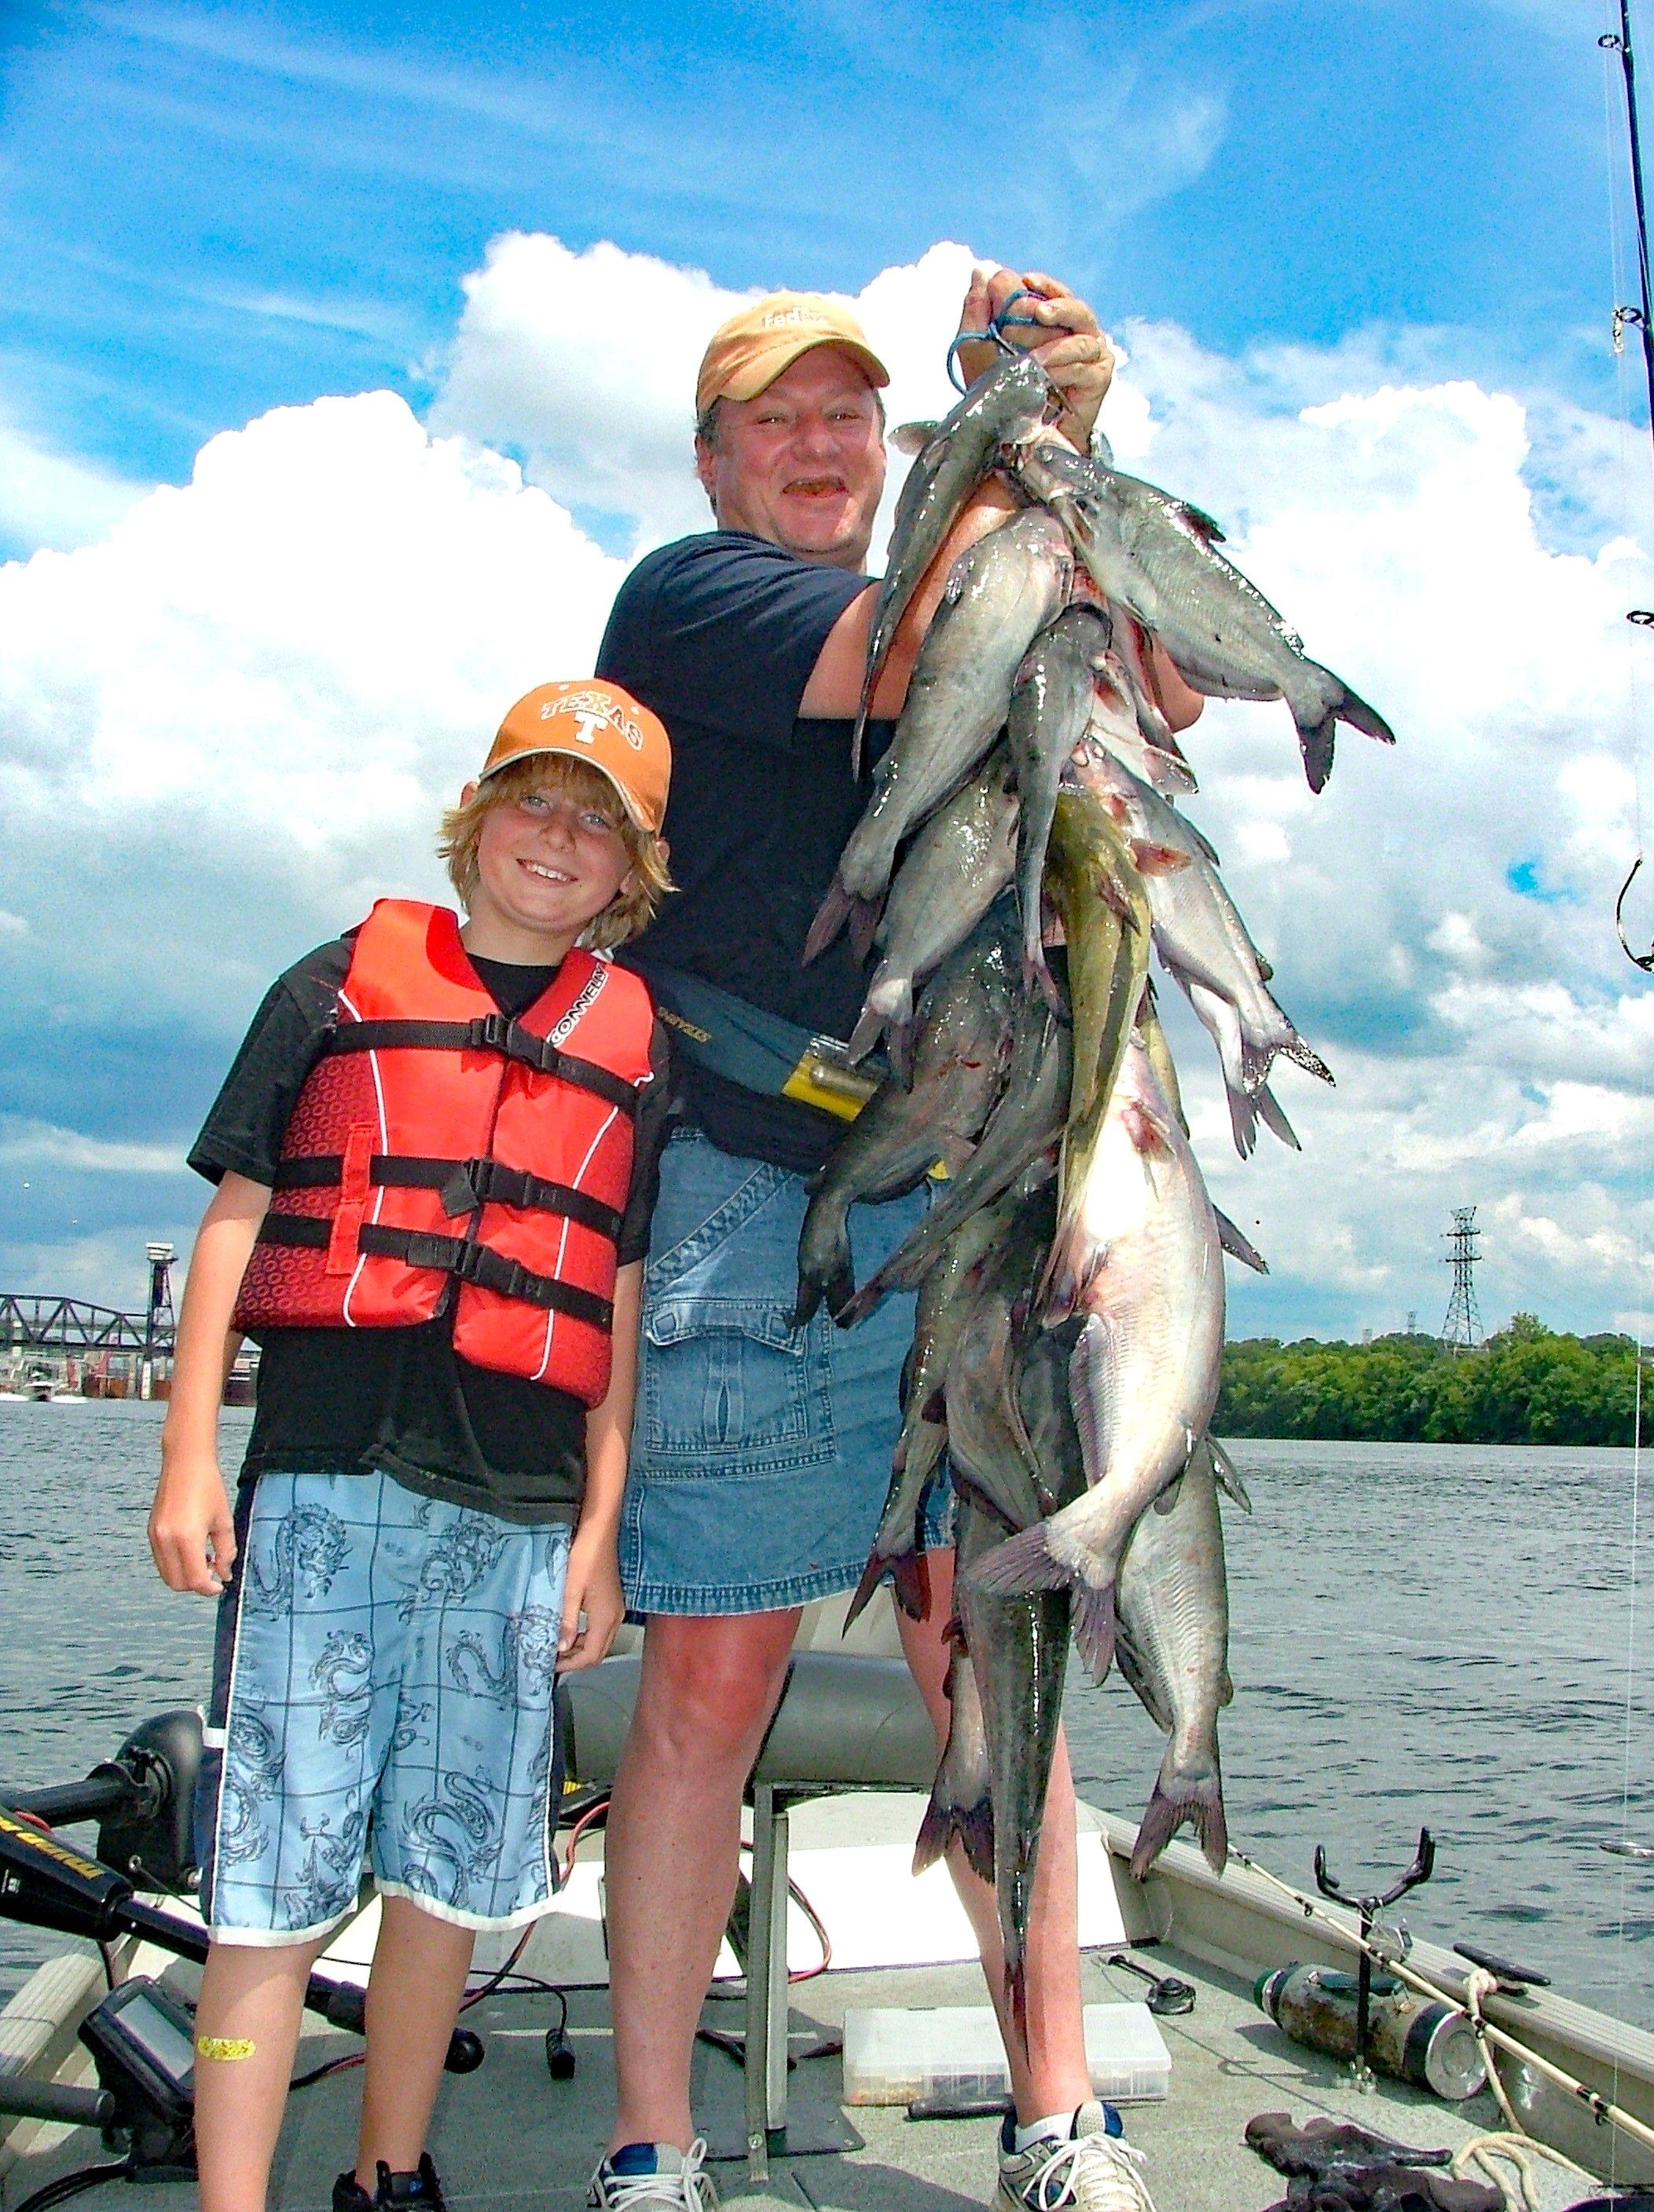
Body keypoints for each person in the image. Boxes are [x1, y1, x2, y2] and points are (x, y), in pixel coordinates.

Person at [590, 269, 1203, 2212]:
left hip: (997, 1199)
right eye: (779, 418)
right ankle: (652, 2149)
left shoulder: (962, 551)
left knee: (991, 1657)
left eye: (852, 416)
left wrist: (1069, 437)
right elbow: (954, 634)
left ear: (886, 443)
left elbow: (1155, 677)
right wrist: (1038, 450)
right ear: (714, 458)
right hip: (762, 1205)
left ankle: (1059, 2116)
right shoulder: (692, 604)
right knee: (712, 1678)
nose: (821, 444)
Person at [145, 679, 675, 2212]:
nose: (556, 839)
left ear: (631, 871)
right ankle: (233, 2192)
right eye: (534, 799)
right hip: (325, 1483)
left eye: (597, 821)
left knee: (446, 1868)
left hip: (516, 1511)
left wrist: (600, 1528)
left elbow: (618, 1304)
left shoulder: (633, 1045)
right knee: (273, 1874)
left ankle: (391, 2172)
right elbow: (237, 1213)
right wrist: (189, 1455)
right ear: (475, 816)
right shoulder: (330, 984)